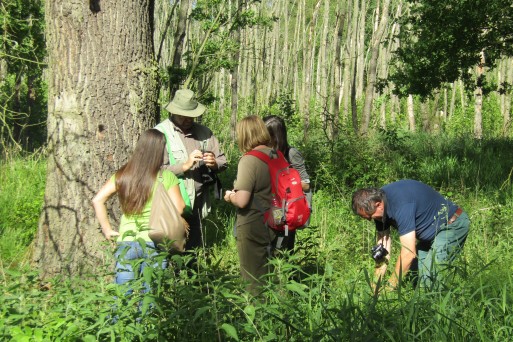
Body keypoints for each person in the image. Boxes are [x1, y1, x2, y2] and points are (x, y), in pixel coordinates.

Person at [92, 129, 185, 291]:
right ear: (160, 151)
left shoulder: (123, 175)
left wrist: (107, 230)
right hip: (155, 241)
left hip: (126, 241)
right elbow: (180, 207)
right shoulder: (166, 177)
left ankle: (120, 317)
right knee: (149, 295)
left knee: (122, 294)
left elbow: (98, 200)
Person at [352, 179, 470, 290]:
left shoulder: (401, 204)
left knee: (428, 278)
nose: (369, 220)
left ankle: (432, 308)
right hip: (429, 236)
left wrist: (390, 288)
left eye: (370, 216)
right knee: (412, 276)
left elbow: (409, 253)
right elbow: (383, 248)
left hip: (451, 226)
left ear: (378, 205)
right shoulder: (377, 207)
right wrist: (375, 284)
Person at [155, 89, 227, 250]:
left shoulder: (204, 133)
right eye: (182, 115)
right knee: (170, 247)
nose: (187, 119)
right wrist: (185, 166)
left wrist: (214, 163)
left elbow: (223, 162)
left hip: (198, 202)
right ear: (173, 112)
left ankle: (193, 272)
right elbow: (157, 170)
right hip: (171, 203)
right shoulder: (161, 133)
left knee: (194, 248)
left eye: (190, 115)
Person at [224, 115, 276, 295]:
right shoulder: (276, 155)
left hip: (254, 223)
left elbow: (242, 200)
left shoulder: (249, 160)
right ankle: (281, 312)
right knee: (275, 272)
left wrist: (230, 196)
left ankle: (257, 316)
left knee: (253, 276)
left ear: (244, 135)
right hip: (277, 221)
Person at [263, 115, 312, 251]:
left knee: (283, 243)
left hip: (282, 209)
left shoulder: (291, 154)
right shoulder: (262, 153)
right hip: (264, 207)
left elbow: (306, 184)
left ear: (276, 136)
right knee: (265, 247)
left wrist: (286, 185)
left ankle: (284, 271)